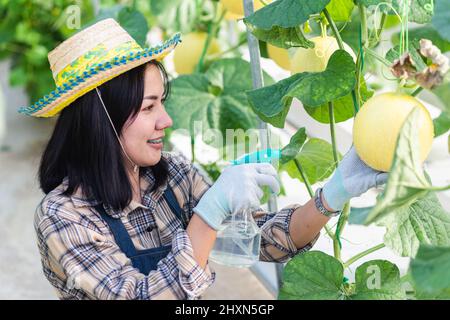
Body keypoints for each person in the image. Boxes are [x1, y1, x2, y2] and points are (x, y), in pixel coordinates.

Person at [20, 19, 387, 300]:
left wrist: (332, 196)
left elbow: (264, 240)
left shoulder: (173, 175)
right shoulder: (63, 217)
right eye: (150, 107)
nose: (166, 120)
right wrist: (209, 213)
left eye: (162, 102)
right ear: (103, 119)